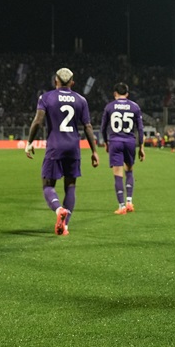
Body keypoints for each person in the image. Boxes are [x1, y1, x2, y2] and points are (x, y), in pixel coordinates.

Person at [25, 67, 99, 236]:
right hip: (73, 147)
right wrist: (94, 151)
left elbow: (38, 121)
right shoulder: (81, 100)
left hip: (55, 146)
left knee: (48, 185)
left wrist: (29, 142)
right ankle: (65, 226)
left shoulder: (46, 97)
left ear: (55, 81)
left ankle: (59, 209)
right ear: (72, 82)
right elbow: (87, 126)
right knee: (71, 186)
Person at [100, 82, 145, 215]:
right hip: (130, 142)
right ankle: (129, 202)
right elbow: (140, 129)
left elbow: (103, 128)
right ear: (127, 94)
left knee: (118, 174)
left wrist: (106, 142)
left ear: (115, 94)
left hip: (115, 141)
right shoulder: (135, 107)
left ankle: (121, 206)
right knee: (129, 171)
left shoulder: (109, 107)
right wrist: (141, 146)